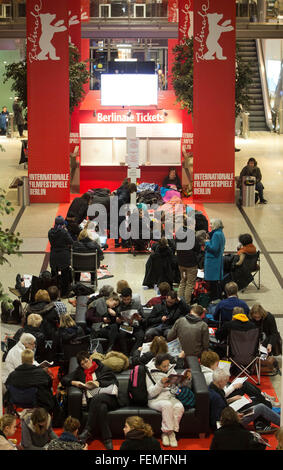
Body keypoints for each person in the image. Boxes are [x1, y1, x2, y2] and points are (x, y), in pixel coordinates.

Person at [61, 350, 119, 450]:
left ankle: (87, 430)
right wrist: (75, 383)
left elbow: (113, 381)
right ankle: (107, 439)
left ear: (91, 359)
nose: (85, 365)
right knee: (101, 408)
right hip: (94, 401)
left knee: (99, 399)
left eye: (86, 361)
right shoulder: (80, 372)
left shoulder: (102, 367)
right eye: (82, 364)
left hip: (109, 398)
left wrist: (98, 383)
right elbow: (64, 379)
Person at [208, 368, 280, 433]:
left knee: (254, 400)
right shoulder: (216, 397)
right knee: (261, 407)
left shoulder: (213, 388)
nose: (226, 383)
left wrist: (232, 399)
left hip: (230, 415)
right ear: (220, 382)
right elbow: (217, 419)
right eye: (225, 381)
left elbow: (222, 405)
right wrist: (235, 417)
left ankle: (262, 424)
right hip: (228, 425)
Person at [146, 353, 190, 447]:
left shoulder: (171, 369)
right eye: (164, 366)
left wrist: (184, 380)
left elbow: (176, 388)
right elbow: (150, 394)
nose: (166, 368)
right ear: (157, 365)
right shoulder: (148, 372)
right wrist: (160, 384)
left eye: (168, 365)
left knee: (179, 407)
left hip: (170, 397)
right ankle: (168, 433)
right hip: (155, 399)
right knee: (167, 405)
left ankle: (169, 433)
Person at [175, 216, 200, 305]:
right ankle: (186, 304)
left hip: (181, 262)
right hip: (191, 264)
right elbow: (197, 248)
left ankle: (178, 302)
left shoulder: (178, 232)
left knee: (182, 282)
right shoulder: (191, 234)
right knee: (189, 284)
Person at [48, 216, 74, 297]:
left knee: (54, 275)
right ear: (63, 223)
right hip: (63, 256)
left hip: (53, 256)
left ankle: (53, 292)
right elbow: (71, 241)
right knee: (65, 275)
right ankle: (64, 293)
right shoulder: (64, 232)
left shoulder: (50, 232)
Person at [116, 287, 146, 356]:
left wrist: (140, 319)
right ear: (121, 298)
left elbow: (144, 319)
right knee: (121, 333)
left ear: (131, 297)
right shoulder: (119, 306)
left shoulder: (137, 305)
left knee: (141, 336)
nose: (126, 301)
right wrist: (118, 320)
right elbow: (117, 319)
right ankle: (125, 354)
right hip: (125, 327)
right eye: (124, 300)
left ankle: (133, 354)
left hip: (136, 327)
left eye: (128, 299)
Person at [204, 218, 226, 300]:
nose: (210, 225)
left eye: (211, 224)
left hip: (213, 262)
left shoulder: (216, 234)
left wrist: (206, 242)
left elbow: (214, 248)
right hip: (217, 260)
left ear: (216, 225)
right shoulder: (220, 233)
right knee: (216, 283)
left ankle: (214, 299)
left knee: (213, 283)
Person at [114, 181, 137, 247]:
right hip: (120, 210)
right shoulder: (125, 192)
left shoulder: (121, 189)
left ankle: (116, 243)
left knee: (117, 226)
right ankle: (124, 243)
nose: (132, 193)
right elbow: (121, 200)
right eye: (133, 191)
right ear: (131, 189)